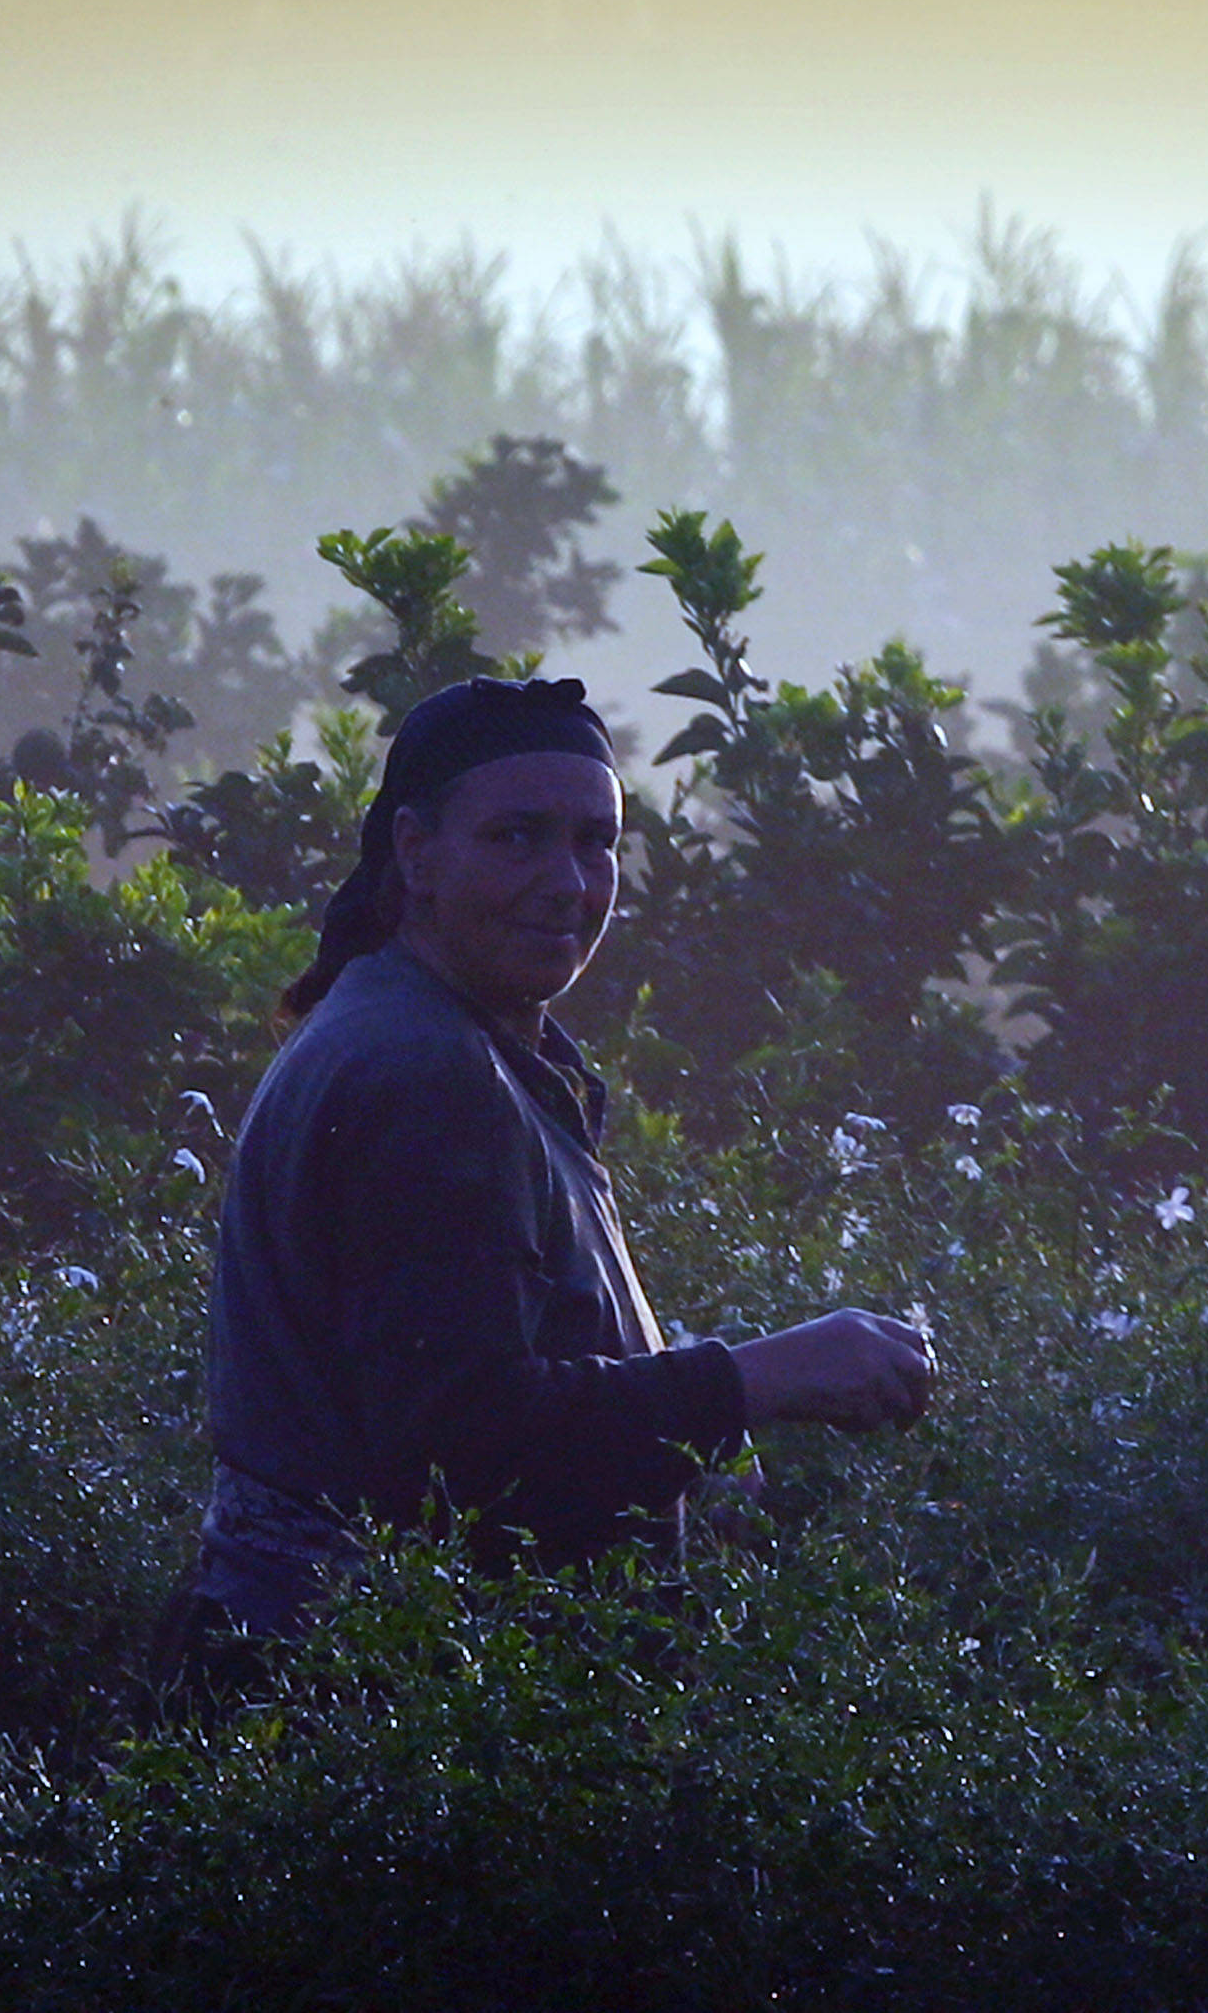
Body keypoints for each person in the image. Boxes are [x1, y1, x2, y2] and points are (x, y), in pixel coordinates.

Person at [169, 669, 941, 1688]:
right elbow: (462, 1443)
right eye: (516, 837)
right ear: (415, 852)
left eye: (596, 842)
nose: (569, 884)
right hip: (369, 1708)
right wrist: (758, 1379)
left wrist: (702, 1454)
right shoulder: (422, 1070)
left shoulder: (446, 1039)